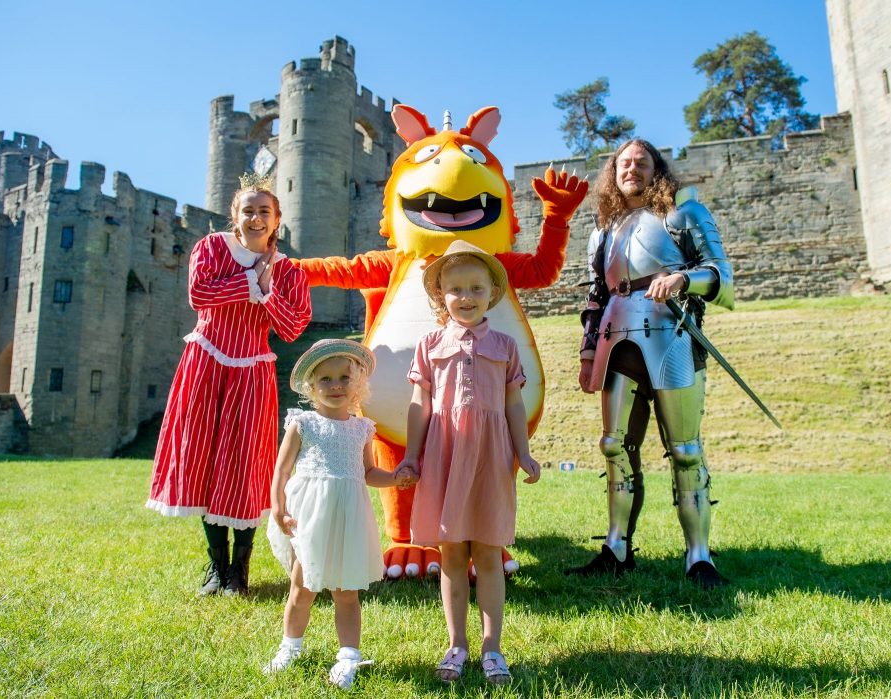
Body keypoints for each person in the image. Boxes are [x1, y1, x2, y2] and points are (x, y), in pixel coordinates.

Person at [564, 139, 734, 588]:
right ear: (613, 171)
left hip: (672, 337)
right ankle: (616, 547)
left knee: (685, 450)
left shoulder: (684, 215)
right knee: (613, 445)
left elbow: (721, 273)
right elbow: (596, 294)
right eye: (624, 163)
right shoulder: (604, 228)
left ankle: (699, 557)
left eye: (642, 162)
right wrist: (586, 352)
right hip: (616, 341)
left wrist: (683, 277)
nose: (631, 169)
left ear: (657, 168)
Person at [146, 173, 312, 597]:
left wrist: (268, 289)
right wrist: (249, 282)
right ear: (234, 216)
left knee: (243, 464)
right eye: (248, 211)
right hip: (205, 362)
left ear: (276, 220)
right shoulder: (211, 248)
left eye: (264, 212)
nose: (255, 218)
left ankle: (239, 570)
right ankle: (215, 567)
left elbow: (293, 327)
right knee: (202, 459)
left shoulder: (288, 270)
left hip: (253, 368)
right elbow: (199, 294)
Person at [395, 241, 542, 686]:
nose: (466, 296)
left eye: (476, 287)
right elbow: (419, 405)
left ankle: (492, 647)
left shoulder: (504, 344)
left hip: (491, 456)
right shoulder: (430, 344)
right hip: (444, 453)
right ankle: (456, 643)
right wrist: (411, 456)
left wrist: (524, 450)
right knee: (452, 552)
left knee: (490, 551)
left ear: (491, 293)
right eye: (456, 289)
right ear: (441, 295)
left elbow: (515, 404)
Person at [264, 339, 414, 691]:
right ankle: (290, 647)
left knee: (346, 592)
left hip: (348, 516)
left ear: (357, 382)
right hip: (312, 517)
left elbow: (367, 472)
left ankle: (348, 656)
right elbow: (281, 471)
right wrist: (278, 508)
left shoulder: (361, 428)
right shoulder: (304, 424)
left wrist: (394, 478)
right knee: (303, 587)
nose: (335, 386)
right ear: (311, 386)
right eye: (325, 380)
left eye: (344, 378)